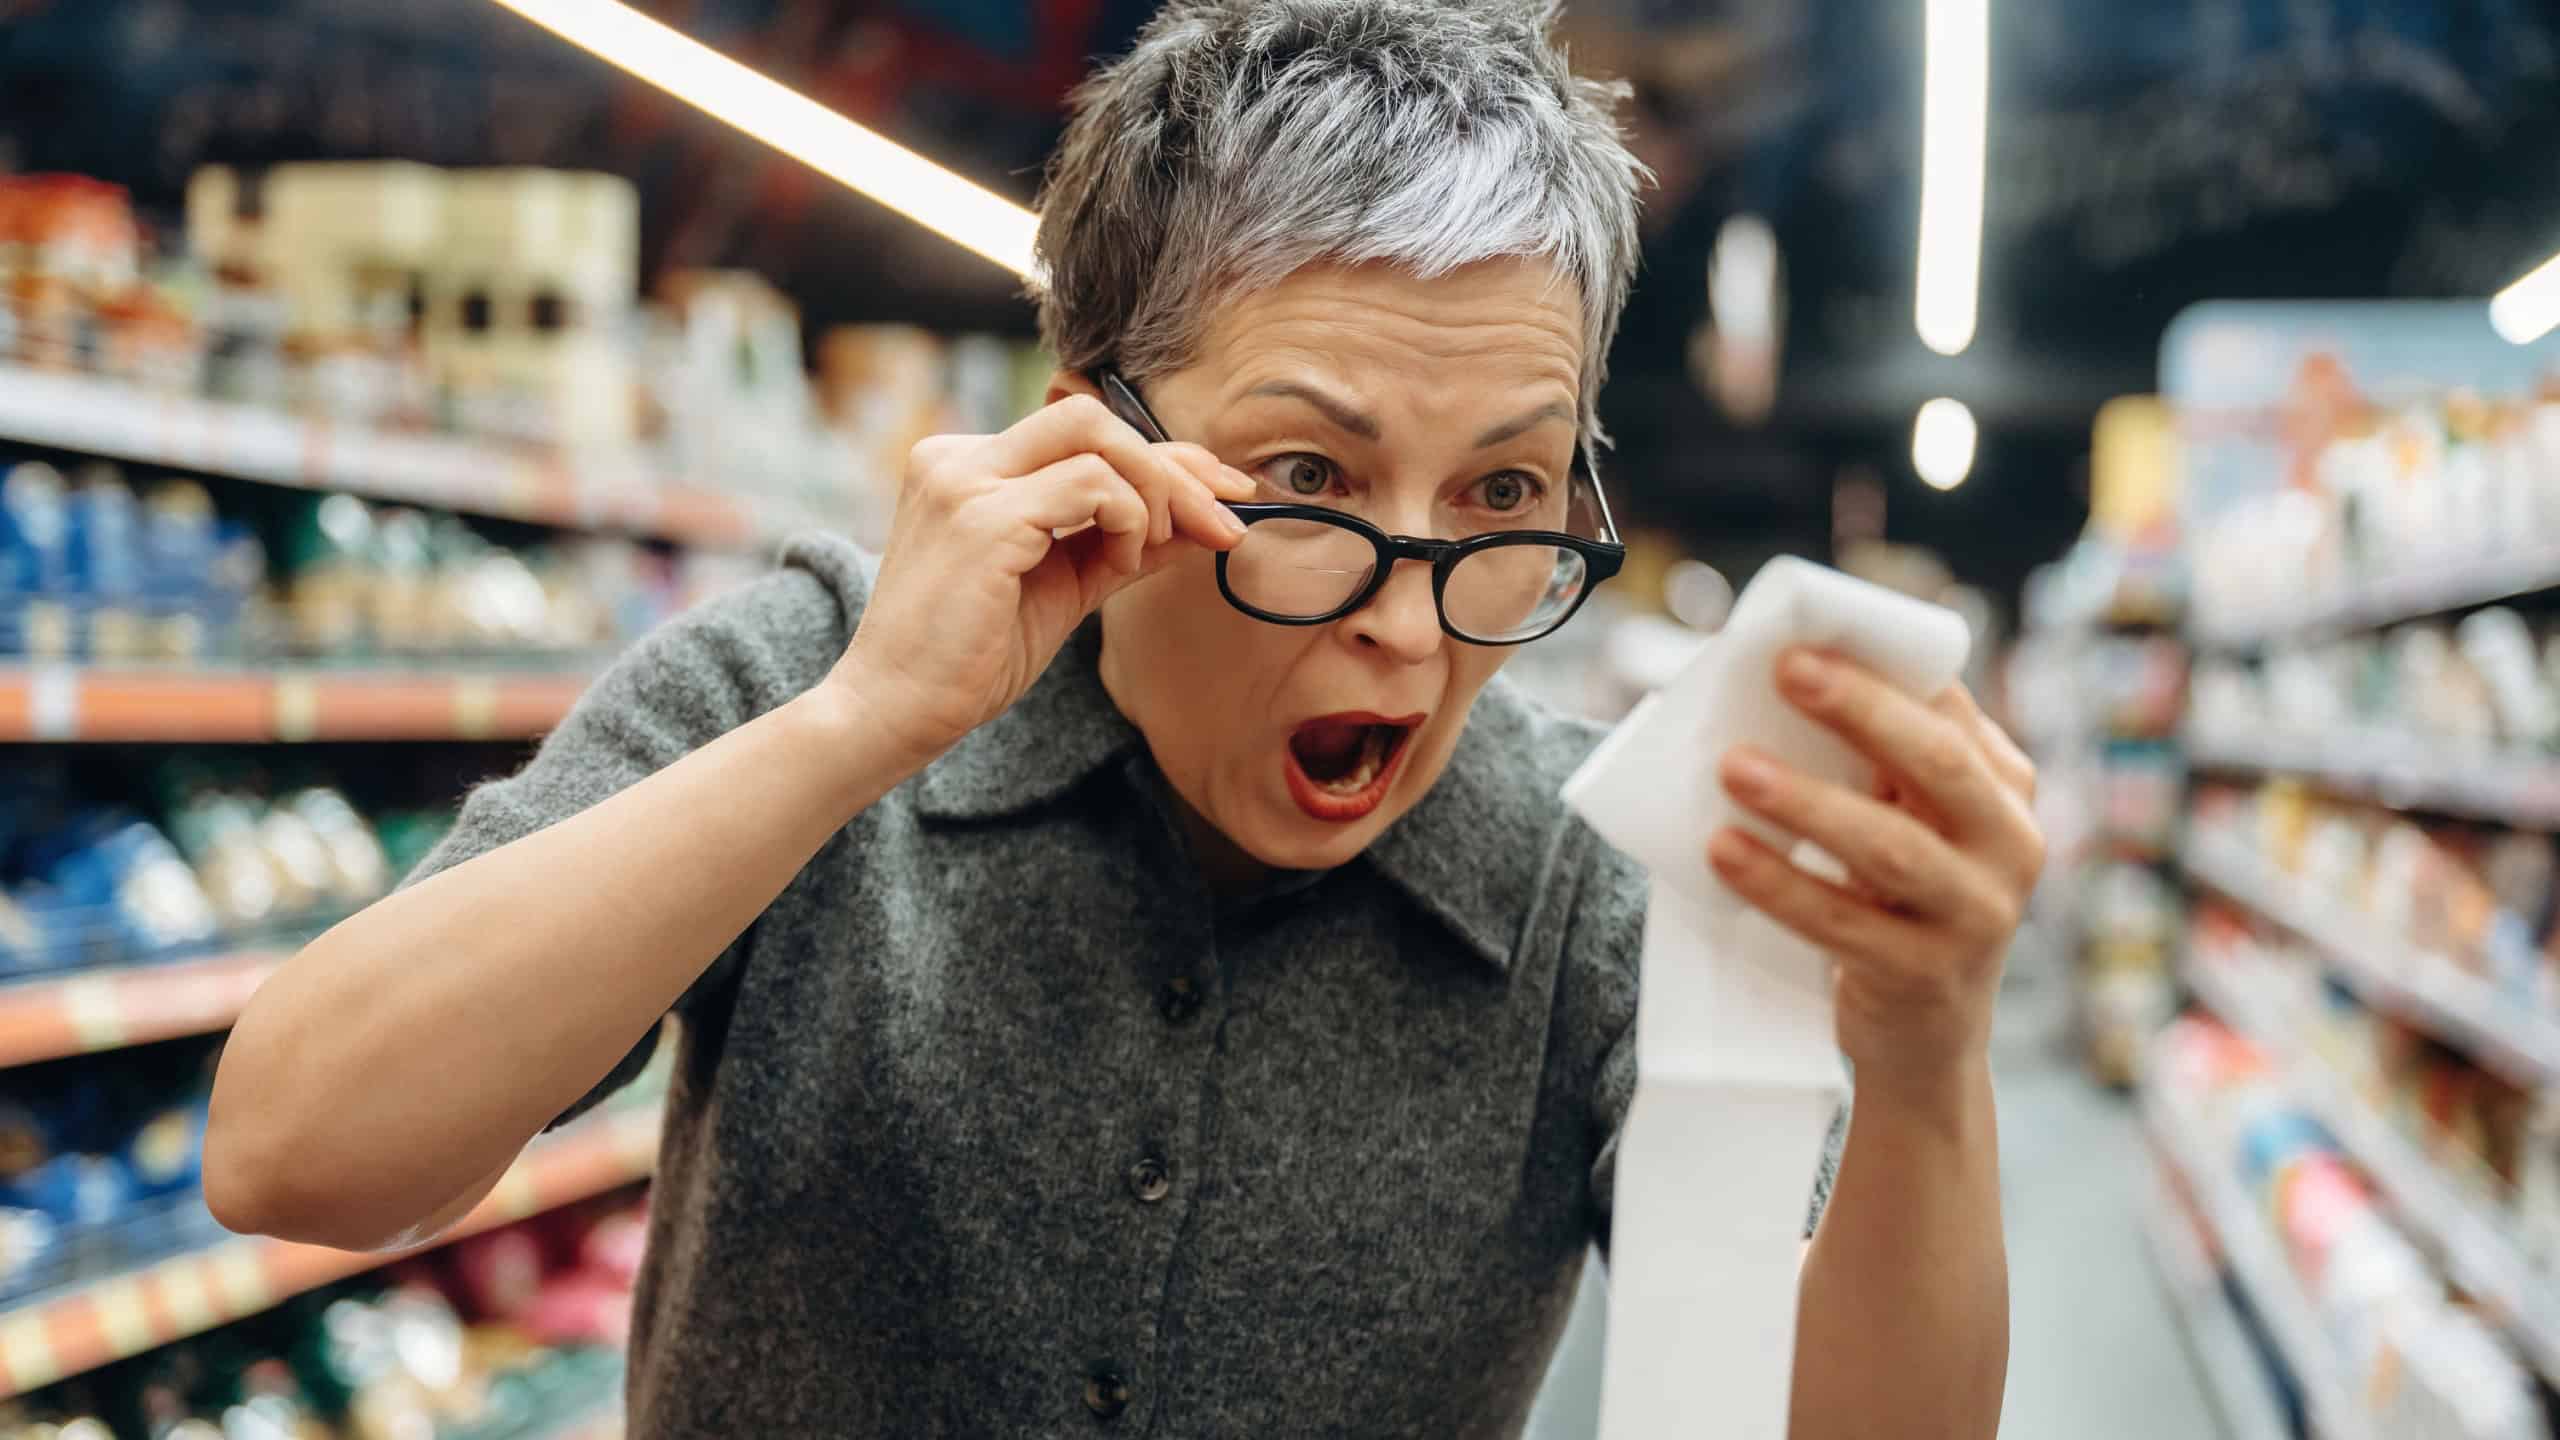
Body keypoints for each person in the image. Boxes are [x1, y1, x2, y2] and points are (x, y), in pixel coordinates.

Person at [205, 1, 2041, 1434]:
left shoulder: (1595, 880)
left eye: (1501, 499)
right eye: (1311, 474)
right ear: (1098, 433)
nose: (1411, 626)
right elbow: (297, 1154)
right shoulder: (801, 681)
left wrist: (1925, 1053)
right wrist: (856, 731)